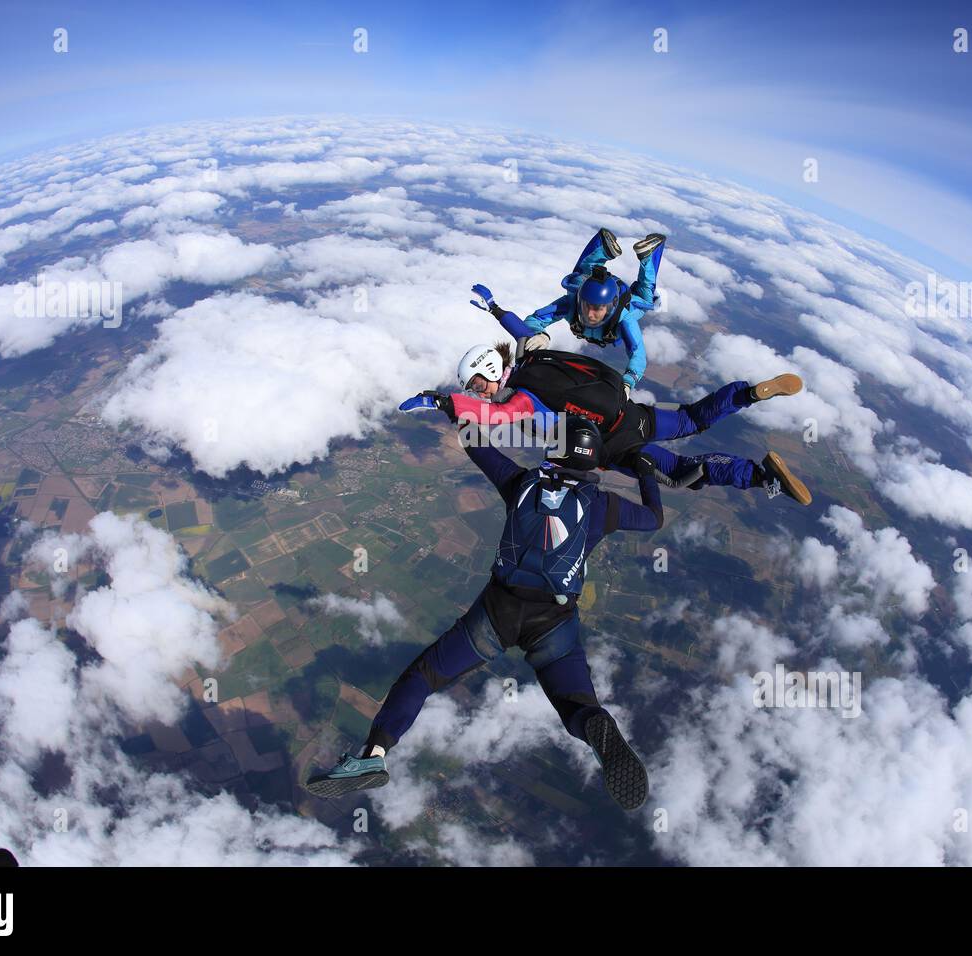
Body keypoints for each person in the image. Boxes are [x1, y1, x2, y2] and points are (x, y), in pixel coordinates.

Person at [306, 417, 663, 810]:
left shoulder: (521, 483)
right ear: (592, 459)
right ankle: (592, 724)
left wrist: (454, 408)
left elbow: (475, 441)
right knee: (575, 702)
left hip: (498, 611)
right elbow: (653, 518)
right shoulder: (603, 506)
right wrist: (645, 472)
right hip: (554, 621)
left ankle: (372, 755)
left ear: (556, 449)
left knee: (423, 676)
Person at [402, 343, 813, 505]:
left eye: (477, 383)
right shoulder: (532, 360)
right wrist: (496, 308)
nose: (479, 392)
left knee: (684, 472)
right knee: (690, 418)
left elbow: (497, 417)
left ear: (490, 369)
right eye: (471, 388)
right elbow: (526, 332)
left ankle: (759, 476)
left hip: (613, 447)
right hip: (630, 414)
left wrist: (442, 401)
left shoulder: (522, 396)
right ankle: (746, 394)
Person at [469, 228, 665, 394]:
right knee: (582, 277)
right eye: (587, 306)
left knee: (643, 297)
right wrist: (541, 334)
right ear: (581, 300)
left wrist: (628, 383)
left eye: (598, 309)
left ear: (611, 307)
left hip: (619, 302)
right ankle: (608, 249)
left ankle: (641, 253)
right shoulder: (573, 303)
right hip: (589, 291)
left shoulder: (624, 317)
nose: (590, 314)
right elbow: (535, 319)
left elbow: (638, 353)